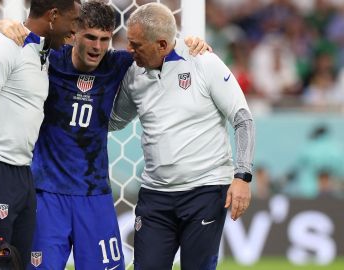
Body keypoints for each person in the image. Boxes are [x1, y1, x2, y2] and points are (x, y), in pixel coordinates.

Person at [0, 1, 211, 269]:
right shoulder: (48, 57)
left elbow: (161, 51)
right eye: (90, 37)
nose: (98, 47)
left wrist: (191, 45)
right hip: (47, 193)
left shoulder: (117, 64)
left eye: (104, 39)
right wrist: (0, 27)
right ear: (73, 33)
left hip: (95, 194)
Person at [108, 3, 255, 270]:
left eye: (137, 45)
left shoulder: (203, 62)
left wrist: (242, 176)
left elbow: (242, 119)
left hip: (205, 192)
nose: (130, 50)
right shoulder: (134, 75)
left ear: (162, 44)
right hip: (155, 196)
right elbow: (114, 121)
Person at [0, 0, 81, 267]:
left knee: (15, 261)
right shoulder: (5, 44)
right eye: (73, 21)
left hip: (22, 172)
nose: (75, 31)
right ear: (53, 15)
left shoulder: (40, 52)